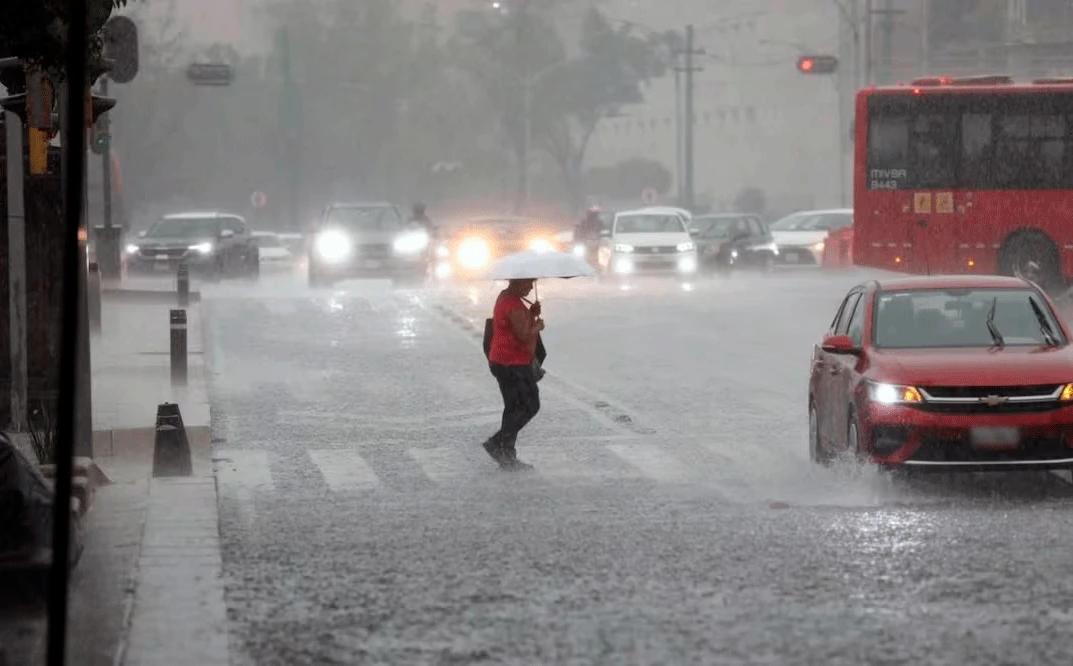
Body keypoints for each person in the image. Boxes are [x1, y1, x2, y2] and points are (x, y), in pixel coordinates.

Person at [482, 278, 544, 471]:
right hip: (513, 364)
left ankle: (507, 456)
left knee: (513, 407)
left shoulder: (506, 297)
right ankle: (498, 443)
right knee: (530, 405)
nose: (530, 287)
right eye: (527, 284)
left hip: (501, 361)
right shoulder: (512, 304)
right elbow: (524, 335)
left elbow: (517, 325)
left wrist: (531, 313)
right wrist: (537, 326)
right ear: (516, 283)